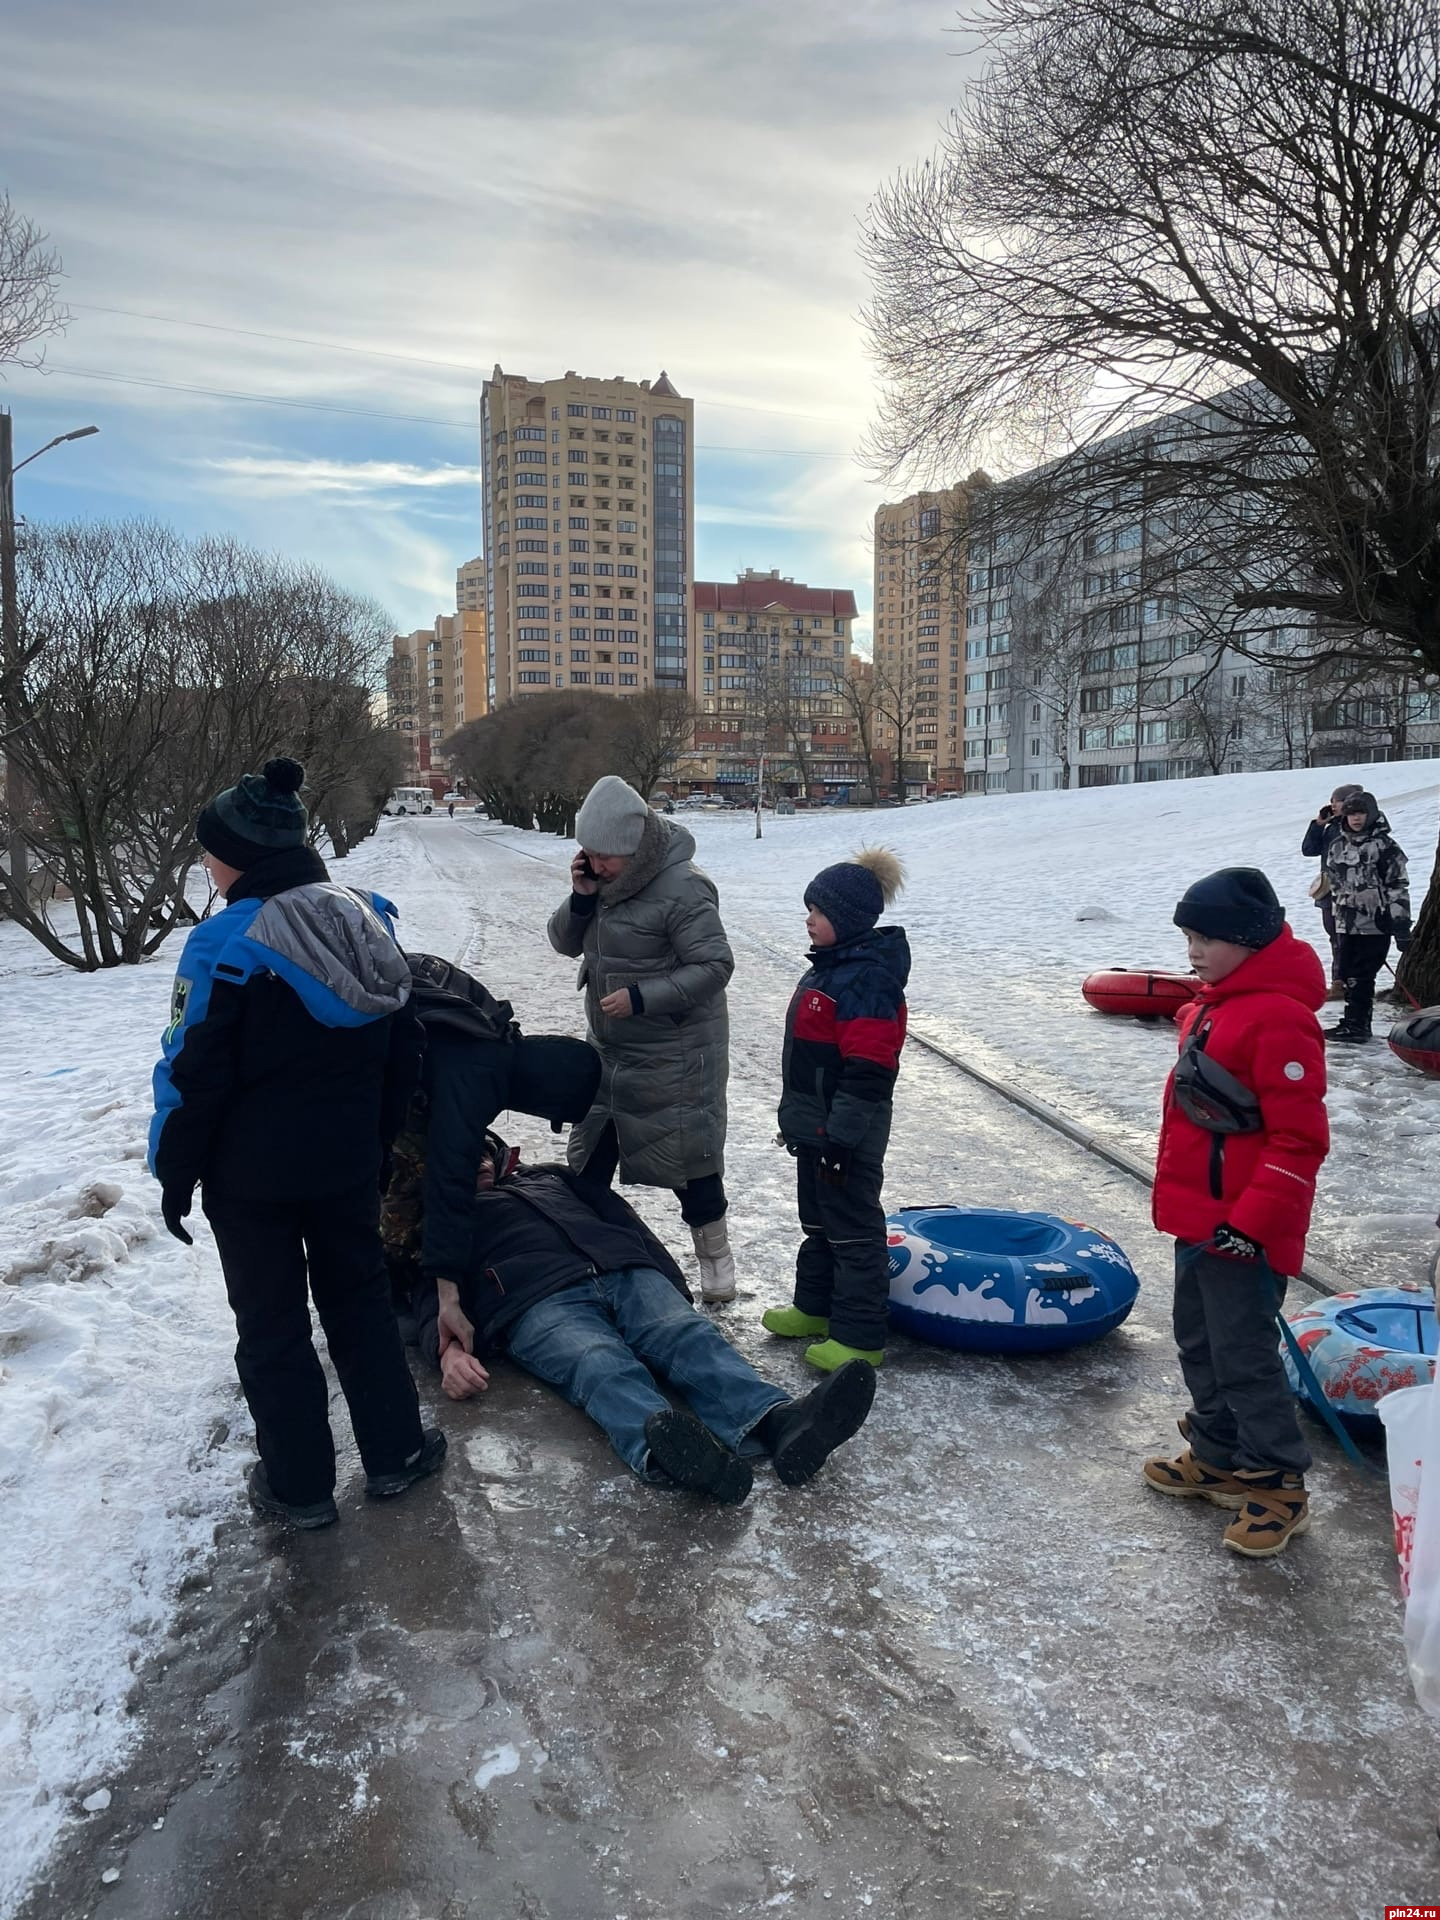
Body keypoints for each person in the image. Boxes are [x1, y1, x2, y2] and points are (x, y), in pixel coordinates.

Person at [149, 756, 443, 1531]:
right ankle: (396, 1453)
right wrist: (376, 1143)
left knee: (272, 1324)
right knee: (360, 1301)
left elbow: (191, 1072)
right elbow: (401, 1048)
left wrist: (174, 1173)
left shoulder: (224, 945)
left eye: (211, 850)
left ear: (238, 857)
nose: (206, 863)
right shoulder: (366, 917)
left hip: (250, 1182)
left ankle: (300, 1487)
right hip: (346, 1161)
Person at [415, 1132, 877, 1503]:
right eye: (460, 1159)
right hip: (535, 1298)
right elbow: (420, 1293)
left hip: (623, 1268)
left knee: (688, 1335)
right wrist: (448, 1352)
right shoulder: (440, 1221)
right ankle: (672, 1454)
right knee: (598, 1362)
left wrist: (670, 1284)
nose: (475, 1162)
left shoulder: (551, 1176)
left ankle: (780, 1423)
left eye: (480, 1151)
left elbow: (626, 1221)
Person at [1144, 867, 1329, 1559]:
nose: (1193, 950)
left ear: (1249, 940)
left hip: (1244, 1231)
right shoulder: (1214, 1004)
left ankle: (1277, 1484)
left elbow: (1299, 1139)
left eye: (1207, 938)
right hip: (1199, 1218)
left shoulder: (1279, 1017)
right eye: (1189, 936)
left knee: (1245, 1356)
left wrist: (1250, 1225)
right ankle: (1218, 1453)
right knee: (1198, 1340)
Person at [547, 775, 737, 1302]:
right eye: (588, 853)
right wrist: (581, 898)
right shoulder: (600, 884)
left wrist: (642, 996)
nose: (595, 864)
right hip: (609, 1051)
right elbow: (563, 942)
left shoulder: (684, 887)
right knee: (587, 1166)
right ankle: (585, 1260)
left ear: (633, 849)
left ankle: (716, 1263)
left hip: (673, 1055)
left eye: (603, 856)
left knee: (690, 1164)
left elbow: (716, 965)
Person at [762, 849, 910, 1374]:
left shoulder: (866, 981)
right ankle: (815, 1308)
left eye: (817, 912)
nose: (808, 920)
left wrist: (843, 1138)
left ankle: (859, 1337)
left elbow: (869, 1069)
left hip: (846, 1134)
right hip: (818, 1130)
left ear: (845, 920)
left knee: (852, 1230)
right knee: (819, 1224)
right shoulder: (831, 971)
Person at [381, 951, 601, 1304]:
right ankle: (391, 1289)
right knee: (410, 1171)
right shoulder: (476, 1076)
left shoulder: (492, 1025)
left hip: (383, 1054)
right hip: (344, 1070)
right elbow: (449, 1176)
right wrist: (447, 1284)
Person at [1322, 790, 1410, 1044]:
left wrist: (1400, 924)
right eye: (1351, 814)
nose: (1356, 819)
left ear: (1370, 814)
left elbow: (1398, 886)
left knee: (1363, 974)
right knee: (1347, 973)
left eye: (1360, 813)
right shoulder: (1337, 845)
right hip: (1346, 921)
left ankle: (1359, 1025)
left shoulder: (1385, 846)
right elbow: (1335, 882)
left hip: (1376, 922)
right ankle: (1351, 1021)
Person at [1300, 782, 1363, 996]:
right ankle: (1339, 981)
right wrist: (1318, 825)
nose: (1332, 805)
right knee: (1334, 934)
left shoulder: (1359, 827)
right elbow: (1309, 850)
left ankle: (1344, 981)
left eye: (1335, 801)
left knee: (1348, 937)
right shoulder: (1331, 827)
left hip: (1351, 892)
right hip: (1329, 891)